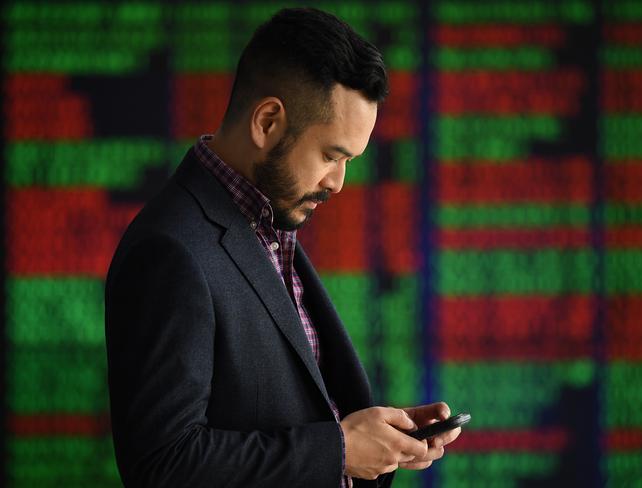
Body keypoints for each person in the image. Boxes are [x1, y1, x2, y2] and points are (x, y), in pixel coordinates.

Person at [105, 7, 461, 487]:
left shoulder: (269, 224)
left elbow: (292, 413)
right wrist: (337, 450)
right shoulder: (170, 251)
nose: (337, 183)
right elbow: (162, 464)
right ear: (268, 122)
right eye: (332, 156)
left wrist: (377, 442)